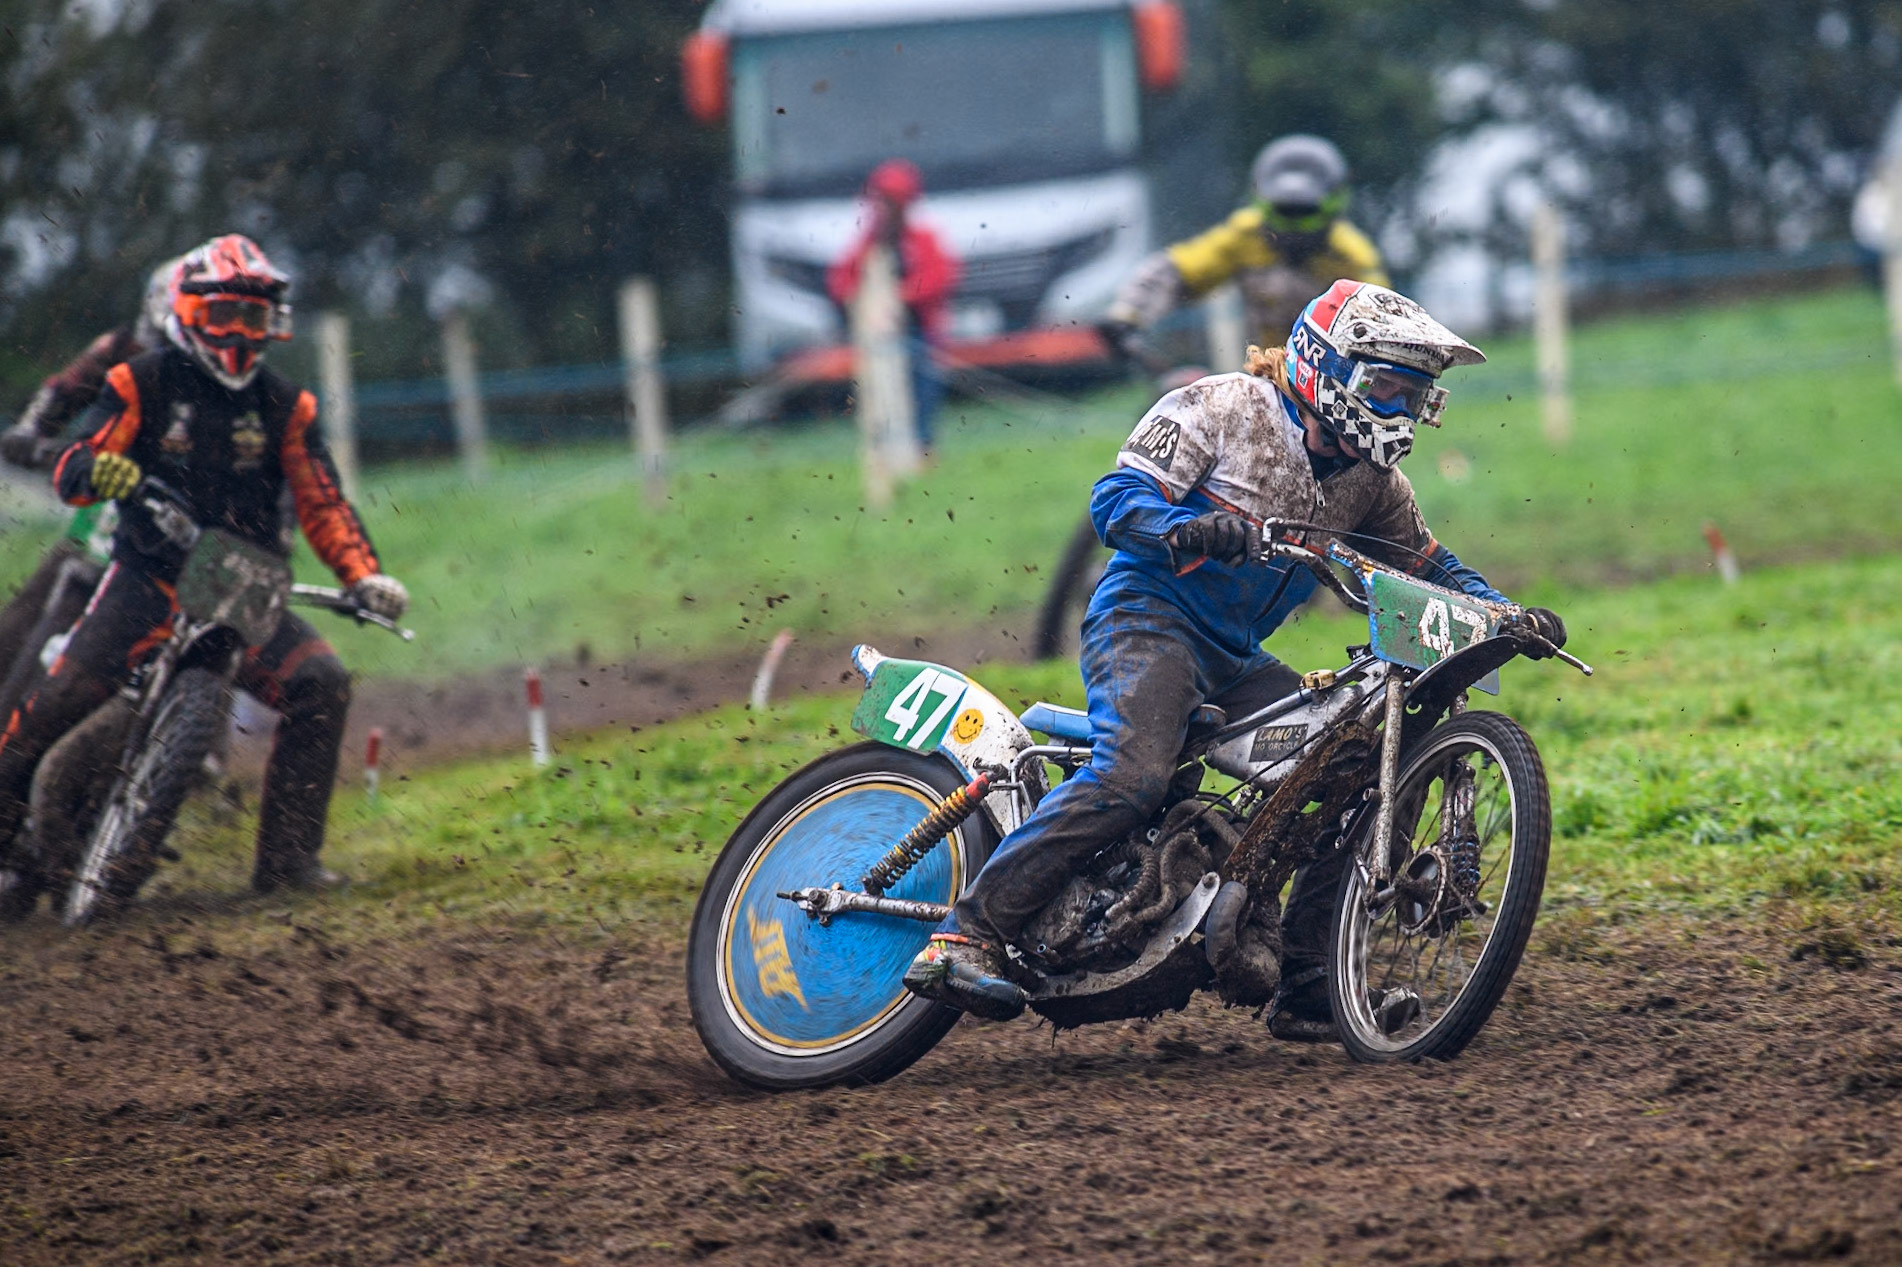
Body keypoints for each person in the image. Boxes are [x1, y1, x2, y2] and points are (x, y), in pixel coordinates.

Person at [905, 279, 1568, 1036]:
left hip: (1235, 658)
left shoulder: (1374, 483)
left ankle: (1311, 977)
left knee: (1358, 755)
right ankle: (968, 931)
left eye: (1413, 397)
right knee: (1132, 775)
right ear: (1327, 366)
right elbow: (1115, 499)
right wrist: (1186, 528)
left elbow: (1429, 563)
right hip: (1145, 620)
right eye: (1385, 388)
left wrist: (1504, 614)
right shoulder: (1223, 406)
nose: (1400, 411)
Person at [0, 233, 409, 906]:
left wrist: (364, 575)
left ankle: (289, 863)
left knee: (322, 682)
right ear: (189, 314)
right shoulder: (141, 379)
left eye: (255, 318)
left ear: (274, 323)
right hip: (145, 577)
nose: (240, 335)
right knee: (44, 711)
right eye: (226, 316)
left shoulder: (287, 406)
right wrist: (91, 469)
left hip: (239, 582)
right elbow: (75, 457)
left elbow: (324, 501)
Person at [0, 257, 179, 719]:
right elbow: (62, 392)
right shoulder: (122, 347)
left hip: (182, 523)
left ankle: (202, 740)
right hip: (104, 510)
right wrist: (32, 432)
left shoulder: (240, 379)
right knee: (19, 624)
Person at [1100, 135, 1388, 357]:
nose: (1294, 231)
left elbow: (1383, 323)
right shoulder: (1245, 235)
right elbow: (1178, 271)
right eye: (1285, 212)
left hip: (1330, 380)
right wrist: (1128, 315)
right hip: (1264, 372)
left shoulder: (1352, 255)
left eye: (1303, 213)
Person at [827, 158, 960, 456]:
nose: (883, 208)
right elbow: (842, 279)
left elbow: (941, 276)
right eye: (879, 200)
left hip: (918, 331)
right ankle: (885, 453)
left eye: (891, 201)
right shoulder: (868, 243)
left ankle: (924, 450)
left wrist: (900, 297)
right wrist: (858, 300)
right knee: (878, 395)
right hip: (877, 335)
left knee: (923, 390)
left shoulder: (921, 240)